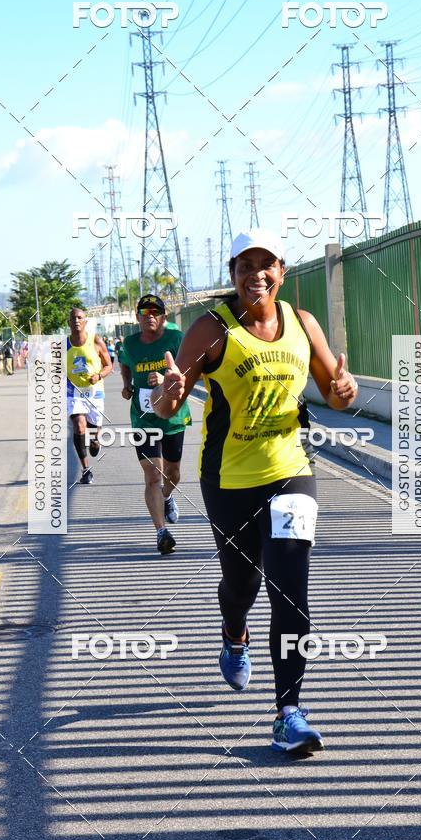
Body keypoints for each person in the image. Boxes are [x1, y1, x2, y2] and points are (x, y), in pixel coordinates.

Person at [151, 228, 358, 753]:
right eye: (245, 265)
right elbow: (167, 408)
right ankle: (233, 635)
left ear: (282, 272)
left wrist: (343, 391)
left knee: (290, 590)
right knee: (241, 585)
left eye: (266, 265)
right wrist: (167, 395)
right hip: (229, 480)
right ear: (233, 273)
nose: (256, 274)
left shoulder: (302, 323)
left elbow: (335, 393)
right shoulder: (210, 330)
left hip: (291, 473)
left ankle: (289, 710)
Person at [119, 294, 192, 555]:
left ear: (163, 316)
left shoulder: (177, 339)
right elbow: (124, 362)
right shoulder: (129, 343)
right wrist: (127, 384)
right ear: (137, 316)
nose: (149, 315)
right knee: (152, 476)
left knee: (172, 474)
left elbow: (189, 371)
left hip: (172, 416)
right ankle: (161, 532)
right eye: (144, 312)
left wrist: (166, 380)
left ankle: (168, 496)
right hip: (143, 418)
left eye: (155, 311)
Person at [67, 307, 112, 485]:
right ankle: (86, 470)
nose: (77, 321)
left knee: (94, 435)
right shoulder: (63, 345)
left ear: (85, 321)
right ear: (69, 323)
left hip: (94, 393)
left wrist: (99, 375)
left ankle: (95, 442)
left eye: (80, 318)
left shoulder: (95, 340)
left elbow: (109, 365)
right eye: (73, 318)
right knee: (79, 426)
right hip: (73, 392)